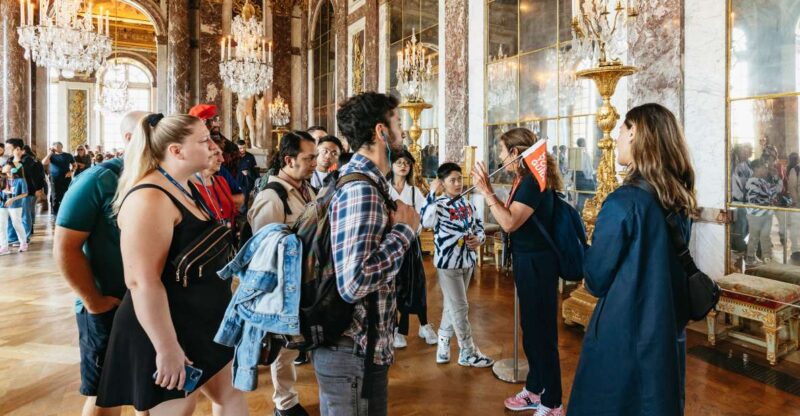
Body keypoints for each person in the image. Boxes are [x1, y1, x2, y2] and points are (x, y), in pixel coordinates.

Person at [94, 114, 247, 414]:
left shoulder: (184, 186)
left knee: (231, 394)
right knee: (178, 408)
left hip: (199, 320)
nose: (213, 147)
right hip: (165, 326)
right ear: (177, 151)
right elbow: (141, 281)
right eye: (204, 141)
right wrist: (166, 347)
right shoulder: (150, 197)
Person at [567, 103, 697, 415]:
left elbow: (596, 279)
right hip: (665, 328)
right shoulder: (679, 197)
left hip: (623, 330)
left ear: (635, 132)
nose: (619, 137)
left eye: (622, 129)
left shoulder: (625, 201)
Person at [317, 92, 419, 415]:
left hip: (359, 349)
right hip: (353, 352)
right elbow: (354, 282)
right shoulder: (362, 189)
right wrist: (404, 231)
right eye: (398, 124)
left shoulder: (368, 182)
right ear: (380, 131)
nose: (403, 132)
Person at [54, 111, 150, 416]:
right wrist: (92, 299)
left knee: (146, 389)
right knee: (106, 396)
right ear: (129, 139)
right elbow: (65, 246)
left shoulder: (157, 178)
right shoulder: (97, 179)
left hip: (148, 303)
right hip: (107, 303)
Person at [472, 128, 565, 415]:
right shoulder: (524, 180)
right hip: (528, 262)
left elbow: (510, 222)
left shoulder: (533, 183)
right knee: (531, 330)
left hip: (539, 264)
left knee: (542, 334)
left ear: (515, 153)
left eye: (502, 151)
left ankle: (553, 403)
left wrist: (487, 192)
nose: (499, 156)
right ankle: (536, 389)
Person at [248, 131, 317, 416]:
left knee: (296, 342)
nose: (315, 162)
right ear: (289, 160)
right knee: (283, 347)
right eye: (309, 157)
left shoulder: (306, 189)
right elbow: (263, 251)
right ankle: (284, 403)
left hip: (305, 281)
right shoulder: (272, 197)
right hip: (283, 286)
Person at [421, 163, 493, 368]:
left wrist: (479, 239)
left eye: (460, 179)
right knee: (460, 307)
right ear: (442, 183)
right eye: (452, 180)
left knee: (452, 306)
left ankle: (443, 345)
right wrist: (431, 193)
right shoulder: (438, 205)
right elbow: (425, 221)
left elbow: (479, 228)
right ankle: (468, 351)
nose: (458, 183)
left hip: (468, 261)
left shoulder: (468, 204)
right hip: (448, 263)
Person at [387, 150, 437, 348]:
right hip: (390, 243)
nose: (402, 166)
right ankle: (396, 328)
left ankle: (424, 325)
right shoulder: (385, 189)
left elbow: (424, 218)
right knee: (394, 285)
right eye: (398, 162)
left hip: (410, 243)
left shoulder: (415, 191)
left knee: (416, 283)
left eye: (406, 163)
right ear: (391, 166)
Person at [4, 138, 45, 244]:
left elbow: (33, 175)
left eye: (9, 147)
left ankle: (24, 238)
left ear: (17, 148)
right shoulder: (10, 159)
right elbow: (6, 171)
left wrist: (38, 189)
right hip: (13, 193)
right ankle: (12, 238)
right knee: (11, 216)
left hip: (27, 192)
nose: (6, 149)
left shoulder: (29, 160)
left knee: (24, 216)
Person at [190, 144, 240, 227]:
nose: (222, 159)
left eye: (221, 154)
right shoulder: (187, 185)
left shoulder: (221, 180)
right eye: (216, 154)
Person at [745, 158, 779, 265]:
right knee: (754, 237)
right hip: (755, 215)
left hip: (766, 214)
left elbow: (774, 192)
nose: (766, 170)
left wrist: (776, 178)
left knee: (765, 237)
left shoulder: (763, 181)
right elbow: (758, 197)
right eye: (764, 168)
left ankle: (767, 257)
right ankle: (750, 258)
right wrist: (768, 196)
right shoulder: (751, 182)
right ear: (756, 168)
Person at [0, 164, 29, 255]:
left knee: (16, 224)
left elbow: (25, 194)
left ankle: (23, 243)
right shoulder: (2, 180)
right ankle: (4, 247)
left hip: (15, 205)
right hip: (2, 205)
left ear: (13, 169)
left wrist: (13, 199)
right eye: (5, 168)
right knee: (2, 226)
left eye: (9, 167)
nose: (7, 169)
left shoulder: (20, 180)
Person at [42, 141, 76, 217]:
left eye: (58, 146)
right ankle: (55, 212)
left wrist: (71, 171)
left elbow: (74, 165)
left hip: (66, 177)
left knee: (66, 193)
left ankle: (66, 210)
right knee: (55, 195)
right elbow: (44, 162)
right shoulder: (52, 156)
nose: (56, 148)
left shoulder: (68, 155)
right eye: (55, 146)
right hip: (54, 178)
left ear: (61, 146)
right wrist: (50, 153)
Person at [236, 139, 260, 214]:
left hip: (247, 181)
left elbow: (255, 169)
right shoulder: (234, 157)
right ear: (237, 148)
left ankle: (243, 214)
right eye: (240, 148)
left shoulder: (250, 156)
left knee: (245, 199)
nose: (242, 150)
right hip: (236, 181)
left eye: (244, 147)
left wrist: (248, 172)